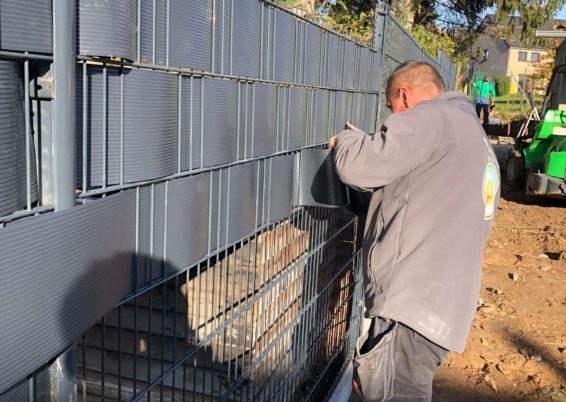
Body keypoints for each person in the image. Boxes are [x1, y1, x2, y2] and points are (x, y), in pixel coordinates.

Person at [329, 61, 500, 401]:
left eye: (392, 110)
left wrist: (348, 138)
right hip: (442, 311)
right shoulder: (477, 142)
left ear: (405, 96)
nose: (393, 118)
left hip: (410, 311)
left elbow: (357, 167)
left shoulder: (432, 119)